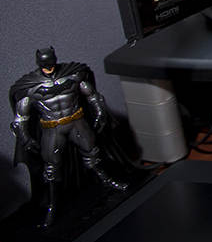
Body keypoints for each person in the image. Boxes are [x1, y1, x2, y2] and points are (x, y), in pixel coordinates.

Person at [10, 47, 129, 227]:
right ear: (39, 63)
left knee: (92, 153)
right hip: (52, 128)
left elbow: (93, 96)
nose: (48, 66)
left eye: (50, 62)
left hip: (76, 121)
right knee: (52, 168)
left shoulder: (72, 75)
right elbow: (21, 118)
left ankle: (106, 181)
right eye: (44, 63)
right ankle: (52, 204)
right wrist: (25, 137)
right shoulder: (30, 86)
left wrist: (99, 112)